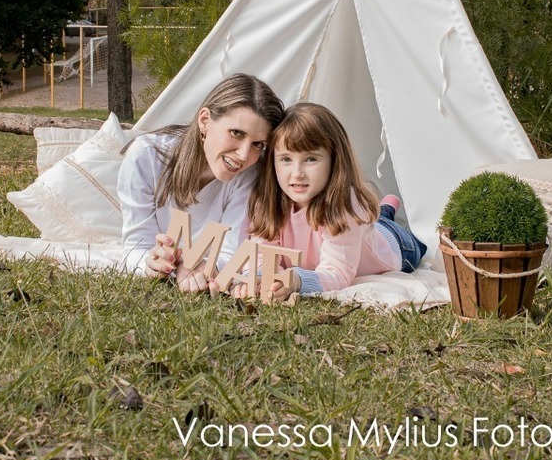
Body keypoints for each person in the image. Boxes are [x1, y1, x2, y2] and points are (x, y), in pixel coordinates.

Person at [244, 102, 427, 301]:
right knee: (375, 218)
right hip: (363, 228)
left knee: (408, 236)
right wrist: (261, 278)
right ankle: (385, 208)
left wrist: (296, 280)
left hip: (395, 246)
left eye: (311, 159)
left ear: (334, 160)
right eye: (286, 159)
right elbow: (262, 255)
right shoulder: (268, 201)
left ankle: (387, 210)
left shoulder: (343, 205)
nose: (297, 173)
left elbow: (337, 273)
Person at [119, 74, 285, 292]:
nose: (244, 155)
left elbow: (232, 252)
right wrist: (149, 264)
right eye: (236, 133)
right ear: (205, 121)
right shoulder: (146, 156)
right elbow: (135, 247)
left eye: (258, 144)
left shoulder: (251, 171)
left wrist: (208, 268)